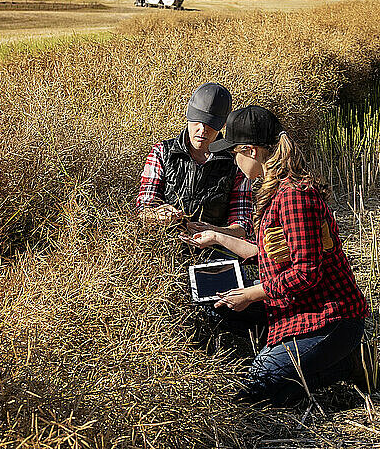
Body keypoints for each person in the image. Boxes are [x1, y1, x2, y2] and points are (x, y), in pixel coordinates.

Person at [186, 106, 369, 406]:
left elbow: (306, 273)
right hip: (299, 306)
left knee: (255, 389)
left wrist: (250, 294)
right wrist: (216, 236)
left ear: (251, 150)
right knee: (218, 307)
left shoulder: (294, 197)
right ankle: (316, 362)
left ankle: (344, 363)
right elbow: (268, 255)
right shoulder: (276, 189)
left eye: (234, 153)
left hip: (329, 317)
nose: (234, 160)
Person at [136, 82, 252, 239]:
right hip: (164, 245)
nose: (202, 130)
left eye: (211, 124)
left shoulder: (236, 162)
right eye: (198, 121)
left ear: (223, 124)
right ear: (188, 114)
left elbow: (243, 223)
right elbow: (143, 209)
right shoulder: (162, 152)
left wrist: (215, 233)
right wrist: (158, 215)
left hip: (214, 252)